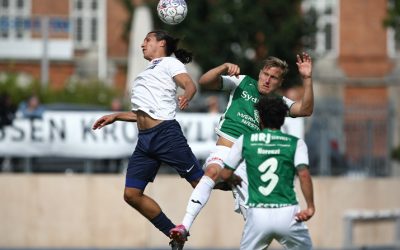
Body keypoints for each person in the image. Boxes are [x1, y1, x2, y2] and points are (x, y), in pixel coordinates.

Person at [169, 53, 313, 245]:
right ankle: (184, 227)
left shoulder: (278, 103)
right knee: (211, 171)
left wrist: (307, 79)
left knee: (257, 221)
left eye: (274, 77)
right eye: (265, 74)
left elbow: (305, 110)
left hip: (249, 161)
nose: (267, 80)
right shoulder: (243, 82)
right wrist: (223, 67)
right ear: (260, 73)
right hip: (225, 149)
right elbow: (204, 81)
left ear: (280, 82)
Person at [91, 30, 204, 250]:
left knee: (201, 184)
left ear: (161, 43)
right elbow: (142, 114)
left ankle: (242, 188)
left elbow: (189, 84)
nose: (142, 45)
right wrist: (116, 116)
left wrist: (186, 96)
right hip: (145, 142)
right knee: (131, 194)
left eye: (147, 40)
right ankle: (174, 234)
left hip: (166, 135)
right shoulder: (148, 71)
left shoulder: (170, 63)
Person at [220, 95, 315, 249]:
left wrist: (233, 178)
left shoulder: (245, 140)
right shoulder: (296, 143)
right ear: (282, 119)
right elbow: (304, 175)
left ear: (260, 118)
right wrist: (310, 207)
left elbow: (224, 174)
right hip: (287, 213)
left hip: (258, 213)